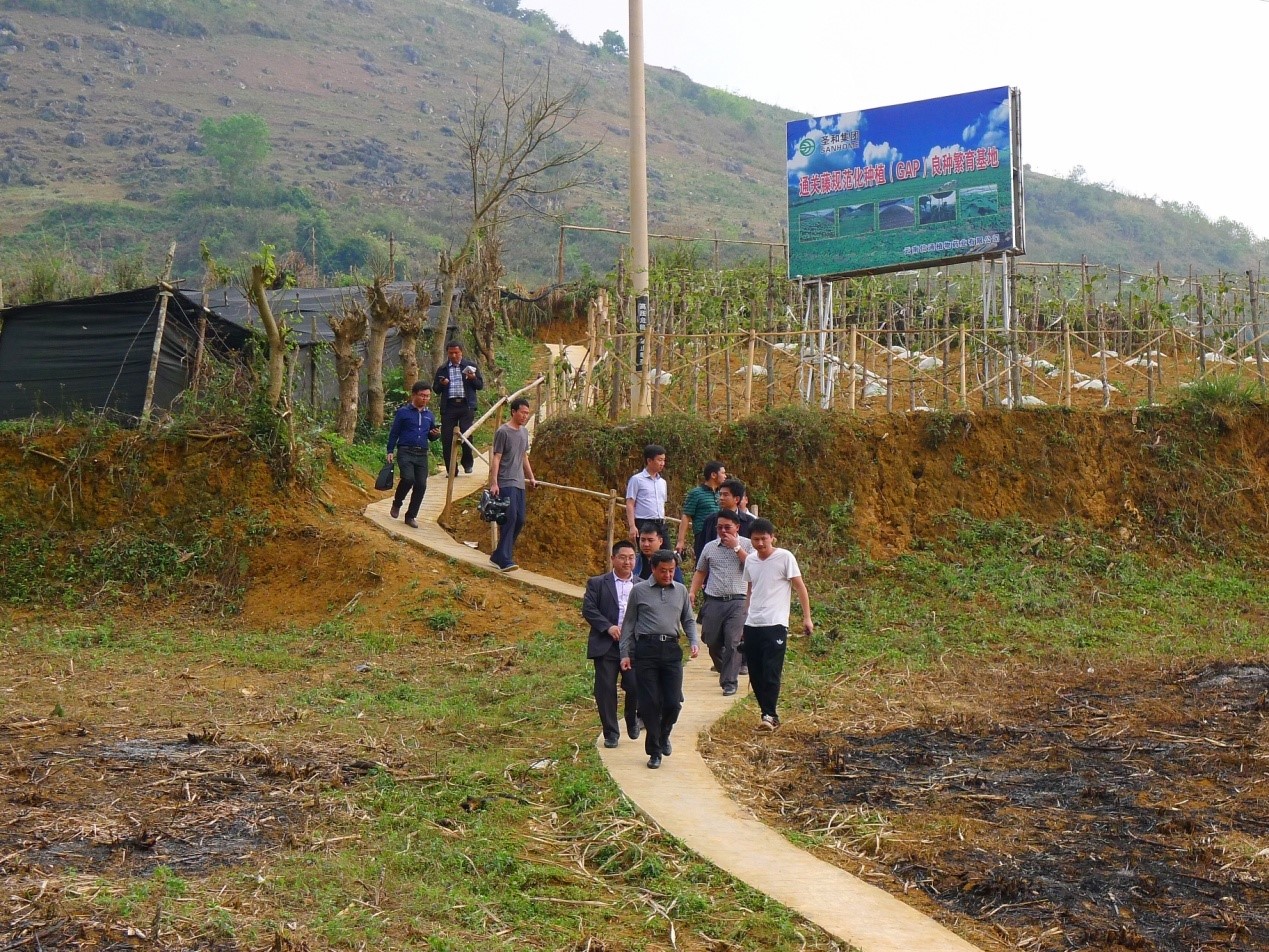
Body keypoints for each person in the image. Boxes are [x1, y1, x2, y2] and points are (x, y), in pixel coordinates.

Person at [620, 550, 699, 769]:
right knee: (650, 703)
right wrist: (625, 653)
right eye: (663, 571)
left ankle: (664, 734)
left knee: (673, 702)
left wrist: (693, 640)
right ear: (653, 569)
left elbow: (688, 619)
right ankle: (654, 751)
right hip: (646, 650)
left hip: (671, 650)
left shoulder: (680, 591)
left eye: (671, 571)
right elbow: (628, 624)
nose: (667, 575)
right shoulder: (639, 591)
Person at [742, 518, 813, 731]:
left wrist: (806, 617)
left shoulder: (785, 557)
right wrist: (745, 616)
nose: (761, 543)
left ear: (773, 537)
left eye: (764, 539)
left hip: (775, 623)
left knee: (771, 670)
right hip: (753, 623)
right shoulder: (751, 561)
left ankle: (769, 715)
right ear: (751, 540)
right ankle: (768, 714)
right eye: (756, 539)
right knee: (755, 673)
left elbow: (800, 587)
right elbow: (750, 589)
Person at [582, 540, 641, 748]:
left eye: (631, 557)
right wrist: (608, 627)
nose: (627, 562)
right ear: (613, 559)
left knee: (635, 685)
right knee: (605, 689)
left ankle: (632, 718)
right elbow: (589, 609)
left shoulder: (642, 585)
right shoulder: (598, 583)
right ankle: (611, 733)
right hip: (606, 644)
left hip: (632, 646)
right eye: (623, 557)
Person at [689, 510, 753, 697]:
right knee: (711, 640)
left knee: (733, 642)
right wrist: (692, 591)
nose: (723, 531)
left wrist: (736, 548)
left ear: (737, 528)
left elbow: (753, 566)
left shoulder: (748, 545)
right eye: (720, 527)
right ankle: (725, 667)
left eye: (727, 527)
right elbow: (701, 571)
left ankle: (729, 682)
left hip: (738, 600)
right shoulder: (710, 547)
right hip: (714, 600)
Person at [487, 397, 536, 571]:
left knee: (520, 519)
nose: (525, 416)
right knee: (511, 517)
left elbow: (523, 456)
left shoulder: (524, 433)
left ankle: (500, 554)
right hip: (505, 481)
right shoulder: (503, 432)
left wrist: (531, 477)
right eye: (522, 412)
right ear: (513, 412)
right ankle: (504, 558)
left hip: (519, 482)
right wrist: (494, 482)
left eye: (527, 413)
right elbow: (497, 458)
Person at [385, 381, 441, 529]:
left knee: (421, 485)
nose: (425, 399)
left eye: (428, 396)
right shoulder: (403, 412)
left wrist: (435, 434)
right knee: (408, 478)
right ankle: (397, 503)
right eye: (422, 395)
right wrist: (390, 450)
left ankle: (411, 516)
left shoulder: (429, 415)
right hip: (405, 451)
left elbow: (431, 436)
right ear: (414, 395)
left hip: (422, 453)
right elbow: (394, 433)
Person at [433, 341, 484, 477]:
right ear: (447, 353)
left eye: (456, 352)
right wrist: (442, 384)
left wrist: (473, 378)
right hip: (449, 406)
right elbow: (436, 389)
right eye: (451, 353)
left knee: (466, 434)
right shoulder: (442, 369)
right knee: (447, 438)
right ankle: (451, 469)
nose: (454, 355)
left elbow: (480, 385)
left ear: (461, 352)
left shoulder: (470, 366)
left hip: (466, 405)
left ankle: (467, 463)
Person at [676, 460, 726, 561]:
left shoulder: (721, 494)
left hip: (719, 535)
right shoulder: (696, 493)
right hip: (702, 535)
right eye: (723, 473)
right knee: (702, 565)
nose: (725, 476)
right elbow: (686, 516)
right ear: (713, 475)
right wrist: (681, 541)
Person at [625, 443, 668, 543]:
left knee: (667, 554)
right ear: (649, 460)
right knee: (647, 554)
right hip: (644, 522)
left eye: (663, 460)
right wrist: (632, 526)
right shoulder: (637, 480)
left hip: (661, 523)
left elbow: (662, 505)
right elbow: (630, 503)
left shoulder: (662, 482)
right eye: (659, 460)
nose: (662, 463)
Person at [698, 479, 756, 548]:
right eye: (720, 494)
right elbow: (701, 547)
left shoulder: (749, 522)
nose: (721, 498)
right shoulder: (710, 520)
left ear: (736, 499)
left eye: (725, 495)